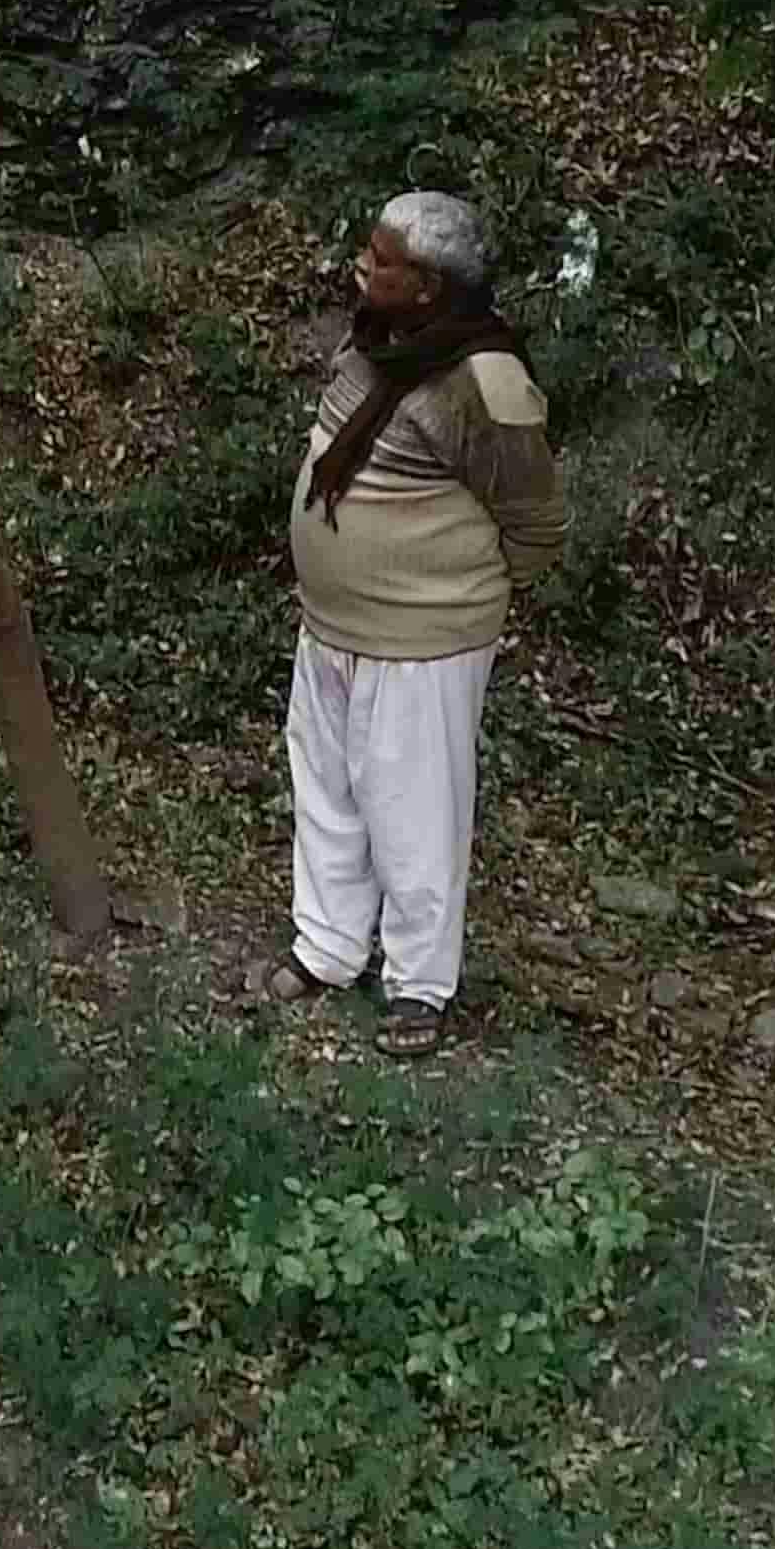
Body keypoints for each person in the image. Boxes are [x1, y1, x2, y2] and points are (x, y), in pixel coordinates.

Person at [251, 192, 565, 1055]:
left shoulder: (485, 377)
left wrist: (458, 600)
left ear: (425, 285)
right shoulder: (378, 340)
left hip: (423, 640)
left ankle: (419, 986)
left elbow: (534, 518)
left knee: (414, 810)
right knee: (329, 789)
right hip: (334, 625)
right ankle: (328, 947)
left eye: (380, 257)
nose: (361, 262)